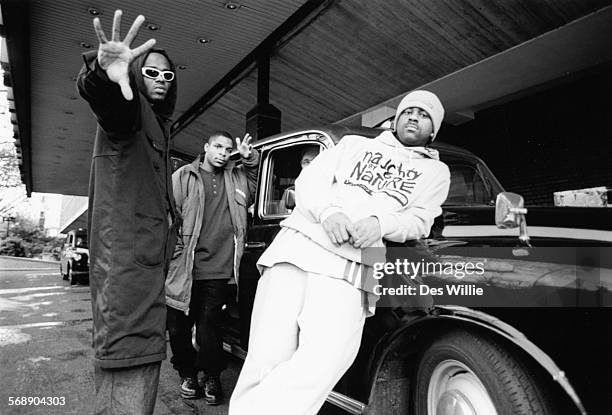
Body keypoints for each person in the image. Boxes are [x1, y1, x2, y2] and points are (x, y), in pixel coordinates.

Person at [229, 90, 451, 415]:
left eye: (425, 114)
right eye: (409, 110)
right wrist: (329, 212)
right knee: (266, 355)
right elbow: (310, 181)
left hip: (354, 263)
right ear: (396, 118)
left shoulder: (436, 172)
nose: (414, 117)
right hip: (297, 247)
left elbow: (420, 219)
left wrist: (381, 222)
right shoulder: (354, 145)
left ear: (433, 130)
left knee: (327, 360)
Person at [76, 10, 178, 415]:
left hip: (147, 281)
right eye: (151, 72)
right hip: (127, 285)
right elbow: (109, 106)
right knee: (126, 386)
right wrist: (105, 75)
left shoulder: (158, 126)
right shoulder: (130, 113)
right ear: (136, 75)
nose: (159, 79)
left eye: (167, 76)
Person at [165, 131, 259, 404]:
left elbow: (254, 180)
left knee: (210, 327)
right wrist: (175, 252)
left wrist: (248, 157)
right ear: (206, 147)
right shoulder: (184, 176)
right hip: (185, 266)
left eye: (227, 148)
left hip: (220, 268)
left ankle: (212, 376)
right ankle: (187, 373)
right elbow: (168, 214)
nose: (221, 152)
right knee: (179, 327)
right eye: (217, 146)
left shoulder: (237, 175)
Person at [279, 146, 320, 213]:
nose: (310, 166)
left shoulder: (333, 188)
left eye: (316, 161)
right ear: (301, 165)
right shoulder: (292, 190)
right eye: (306, 162)